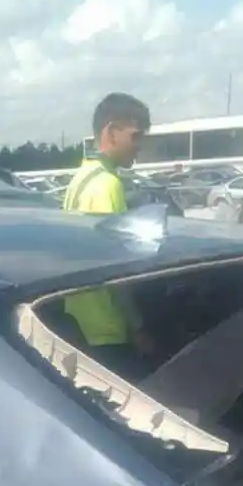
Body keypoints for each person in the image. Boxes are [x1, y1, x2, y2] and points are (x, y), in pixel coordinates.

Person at [61, 93, 155, 375]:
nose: (139, 147)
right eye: (135, 136)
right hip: (107, 330)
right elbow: (117, 271)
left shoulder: (80, 179)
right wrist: (138, 328)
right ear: (112, 132)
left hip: (77, 321)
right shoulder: (108, 185)